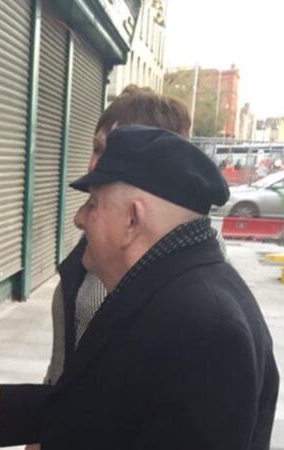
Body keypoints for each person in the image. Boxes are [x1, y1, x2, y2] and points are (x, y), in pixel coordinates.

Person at [0, 126, 278, 449]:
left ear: (132, 220)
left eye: (92, 204)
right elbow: (106, 404)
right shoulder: (159, 290)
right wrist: (2, 404)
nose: (78, 218)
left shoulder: (207, 326)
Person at [43, 86, 197, 390]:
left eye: (110, 151)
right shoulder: (106, 241)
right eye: (96, 148)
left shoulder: (134, 270)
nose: (94, 165)